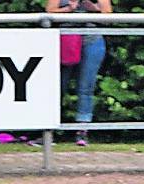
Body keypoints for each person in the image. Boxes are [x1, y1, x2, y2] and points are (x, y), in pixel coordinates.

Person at [47, 0, 112, 147]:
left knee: (86, 88)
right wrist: (68, 9)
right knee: (57, 87)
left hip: (92, 40)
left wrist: (94, 9)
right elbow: (49, 11)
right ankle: (48, 131)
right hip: (66, 40)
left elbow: (108, 15)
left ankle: (82, 131)